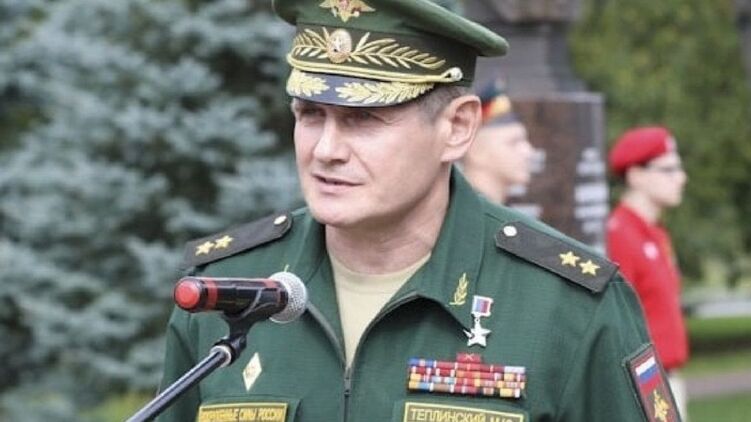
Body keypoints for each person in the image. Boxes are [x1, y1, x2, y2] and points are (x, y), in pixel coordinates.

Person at [156, 1, 682, 421]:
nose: (326, 149)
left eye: (364, 118)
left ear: (457, 127)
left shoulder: (566, 307)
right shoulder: (228, 290)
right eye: (311, 113)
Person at [607, 126, 690, 419]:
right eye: (668, 169)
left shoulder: (654, 233)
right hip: (643, 382)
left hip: (664, 378)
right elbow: (616, 323)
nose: (681, 178)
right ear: (636, 176)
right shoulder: (619, 234)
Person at [461, 79, 534, 204]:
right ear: (476, 152)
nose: (528, 152)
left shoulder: (488, 208)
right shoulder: (464, 211)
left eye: (524, 141)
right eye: (513, 142)